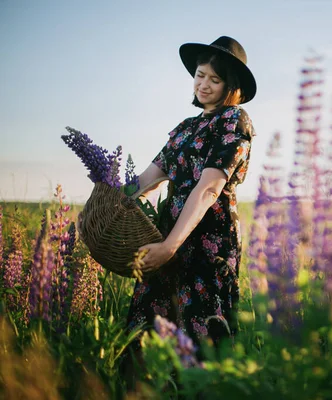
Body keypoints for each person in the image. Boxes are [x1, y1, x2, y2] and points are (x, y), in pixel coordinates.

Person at [125, 36, 257, 356]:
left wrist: (170, 246)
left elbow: (210, 188)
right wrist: (109, 192)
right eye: (200, 75)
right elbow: (148, 179)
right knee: (146, 332)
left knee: (200, 336)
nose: (204, 85)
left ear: (231, 85)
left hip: (205, 242)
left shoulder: (234, 120)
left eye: (215, 79)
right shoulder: (185, 128)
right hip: (168, 234)